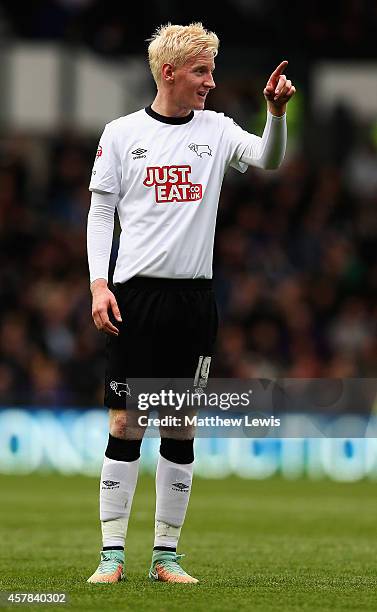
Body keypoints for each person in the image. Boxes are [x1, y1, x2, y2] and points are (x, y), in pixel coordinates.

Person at [86, 22, 295, 585]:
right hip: (134, 296)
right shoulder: (122, 134)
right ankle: (111, 555)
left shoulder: (218, 130)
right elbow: (100, 212)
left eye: (212, 70)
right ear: (170, 72)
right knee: (127, 421)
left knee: (179, 423)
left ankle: (165, 557)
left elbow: (270, 160)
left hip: (193, 299)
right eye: (202, 71)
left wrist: (274, 115)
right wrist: (98, 284)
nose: (211, 81)